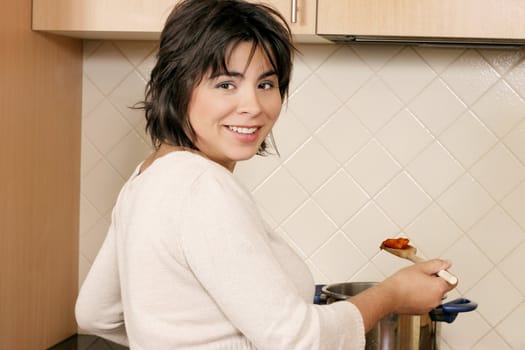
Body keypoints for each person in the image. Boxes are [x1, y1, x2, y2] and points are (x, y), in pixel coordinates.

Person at [75, 0, 456, 348]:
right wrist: (392, 295)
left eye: (266, 84)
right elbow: (296, 340)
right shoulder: (201, 187)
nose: (253, 106)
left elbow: (94, 313)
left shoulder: (146, 177)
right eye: (226, 84)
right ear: (177, 87)